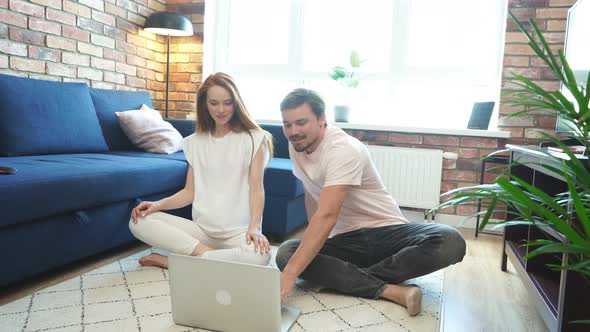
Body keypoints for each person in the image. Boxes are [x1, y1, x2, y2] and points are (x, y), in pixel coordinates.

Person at [276, 89, 466, 316]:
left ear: (321, 119)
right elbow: (311, 197)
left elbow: (327, 214)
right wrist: (314, 247)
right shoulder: (297, 145)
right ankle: (389, 290)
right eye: (287, 125)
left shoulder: (343, 149)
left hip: (387, 234)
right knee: (286, 253)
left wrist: (291, 275)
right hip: (348, 241)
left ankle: (344, 278)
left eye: (301, 122)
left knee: (450, 240)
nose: (293, 131)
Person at [129, 72, 273, 269]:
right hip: (200, 232)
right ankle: (208, 257)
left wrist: (254, 227)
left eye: (227, 103)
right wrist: (158, 204)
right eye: (214, 103)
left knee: (260, 257)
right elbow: (190, 192)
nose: (221, 110)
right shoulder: (194, 142)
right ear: (205, 104)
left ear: (236, 103)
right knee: (138, 221)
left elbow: (257, 189)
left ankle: (176, 262)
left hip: (239, 233)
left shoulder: (255, 139)